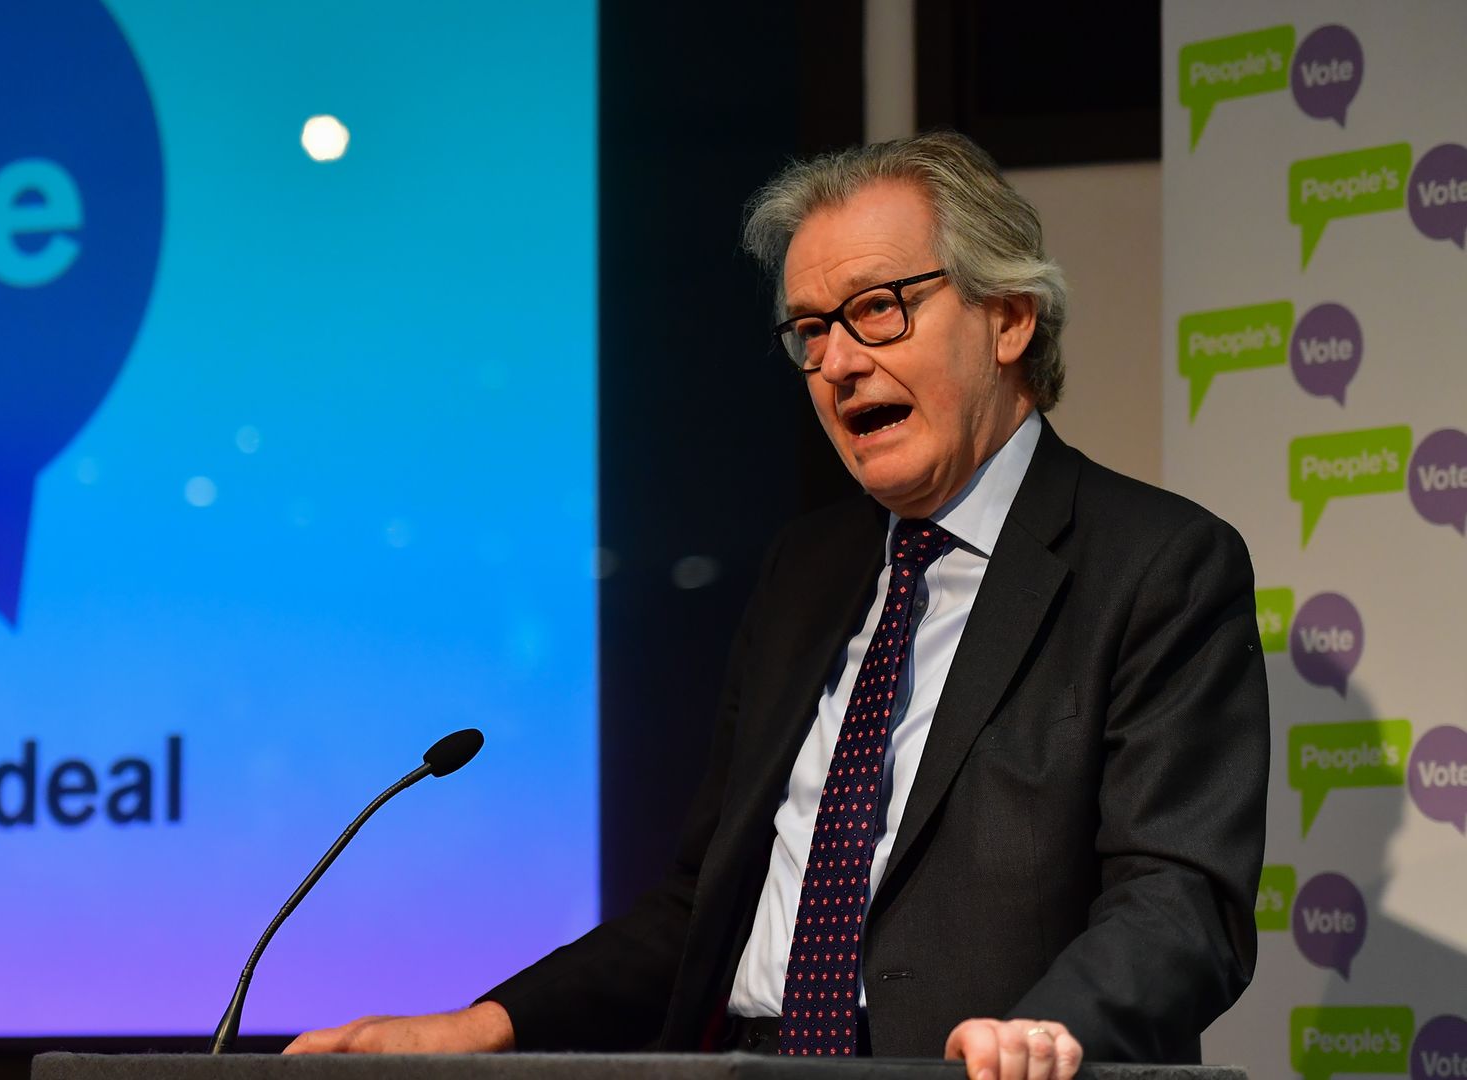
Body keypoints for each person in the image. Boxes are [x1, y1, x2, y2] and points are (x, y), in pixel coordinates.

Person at [285, 131, 1268, 1079]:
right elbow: (699, 907)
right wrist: (480, 1027)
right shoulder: (808, 570)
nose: (838, 362)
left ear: (1008, 318)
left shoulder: (1157, 566)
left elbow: (1180, 899)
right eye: (810, 330)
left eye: (878, 308)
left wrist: (1051, 1031)